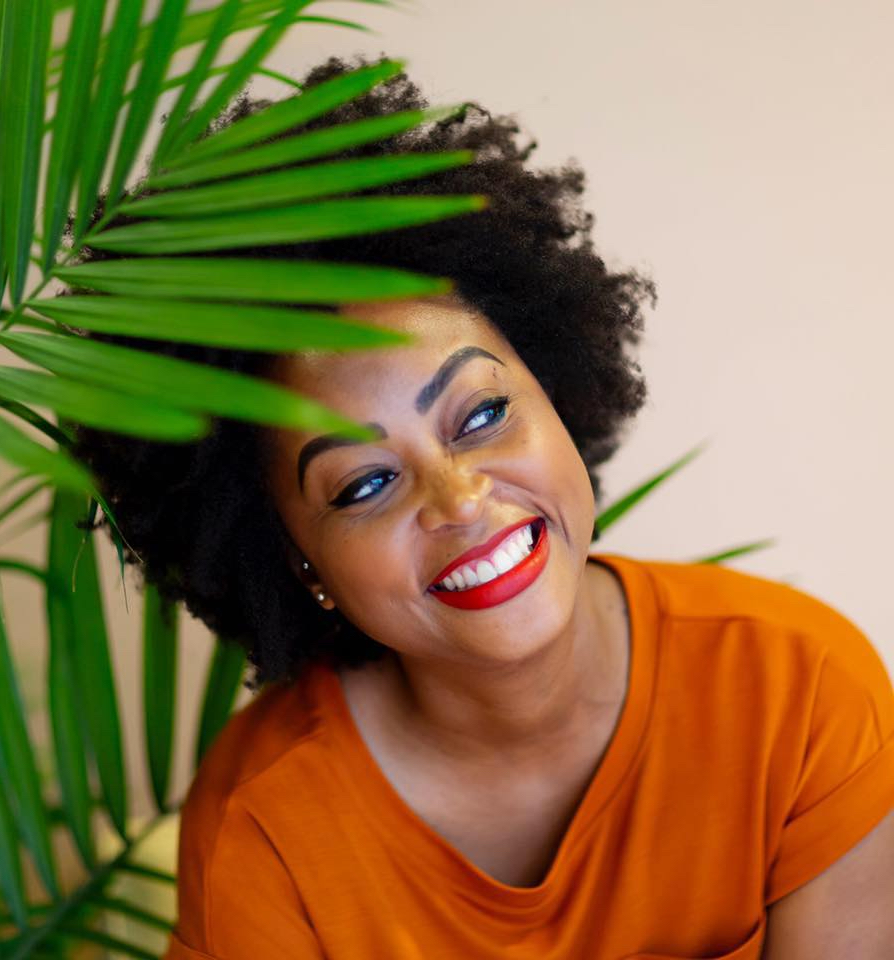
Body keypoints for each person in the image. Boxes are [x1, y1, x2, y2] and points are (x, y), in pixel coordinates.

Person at [68, 56, 894, 959]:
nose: (459, 496)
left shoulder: (799, 694)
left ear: (560, 394)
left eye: (485, 415)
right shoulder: (267, 824)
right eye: (365, 484)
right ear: (299, 563)